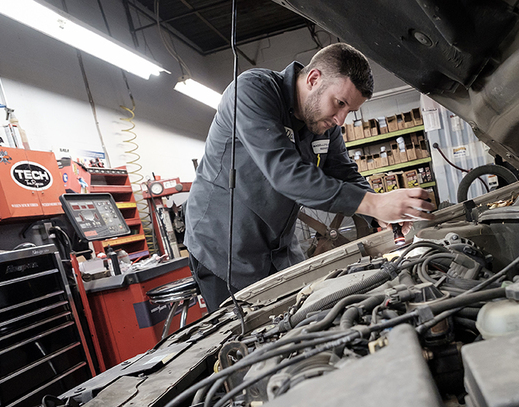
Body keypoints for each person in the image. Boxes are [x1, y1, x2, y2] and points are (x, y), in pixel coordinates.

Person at [184, 43, 435, 312]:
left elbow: (344, 172)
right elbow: (286, 174)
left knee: (296, 324)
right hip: (224, 249)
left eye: (348, 111)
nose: (341, 120)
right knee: (248, 342)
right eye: (339, 103)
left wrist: (378, 212)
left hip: (278, 247)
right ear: (314, 79)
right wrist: (373, 204)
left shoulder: (325, 126)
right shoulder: (253, 91)